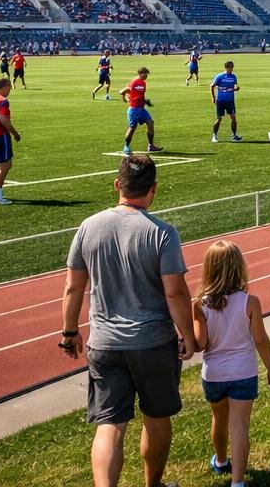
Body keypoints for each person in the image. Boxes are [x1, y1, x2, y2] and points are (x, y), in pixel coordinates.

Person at [59, 154, 195, 487]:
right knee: (156, 418)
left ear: (118, 185)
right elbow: (175, 293)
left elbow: (73, 286)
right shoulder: (162, 233)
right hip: (152, 343)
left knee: (110, 423)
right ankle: (153, 485)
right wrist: (188, 334)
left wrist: (69, 331)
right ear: (154, 189)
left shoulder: (88, 227)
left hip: (104, 344)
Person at [193, 240, 270, 487]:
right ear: (239, 266)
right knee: (239, 426)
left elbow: (200, 343)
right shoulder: (250, 302)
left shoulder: (200, 303)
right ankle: (238, 482)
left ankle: (220, 461)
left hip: (214, 374)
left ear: (209, 268)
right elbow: (260, 339)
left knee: (219, 419)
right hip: (243, 372)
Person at [122, 67, 160, 155]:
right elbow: (127, 90)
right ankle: (126, 146)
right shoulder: (135, 82)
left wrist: (146, 102)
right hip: (134, 110)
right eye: (145, 74)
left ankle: (151, 145)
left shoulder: (143, 83)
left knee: (150, 123)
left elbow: (141, 95)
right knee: (132, 128)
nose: (146, 76)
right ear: (140, 73)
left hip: (141, 109)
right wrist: (123, 95)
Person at [210, 60, 242, 143]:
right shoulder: (220, 76)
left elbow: (234, 85)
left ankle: (234, 136)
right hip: (221, 101)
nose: (231, 69)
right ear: (226, 67)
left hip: (230, 101)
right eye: (229, 67)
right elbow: (212, 86)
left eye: (232, 67)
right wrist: (213, 98)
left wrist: (236, 88)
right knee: (219, 119)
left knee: (233, 118)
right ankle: (214, 135)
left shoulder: (233, 77)